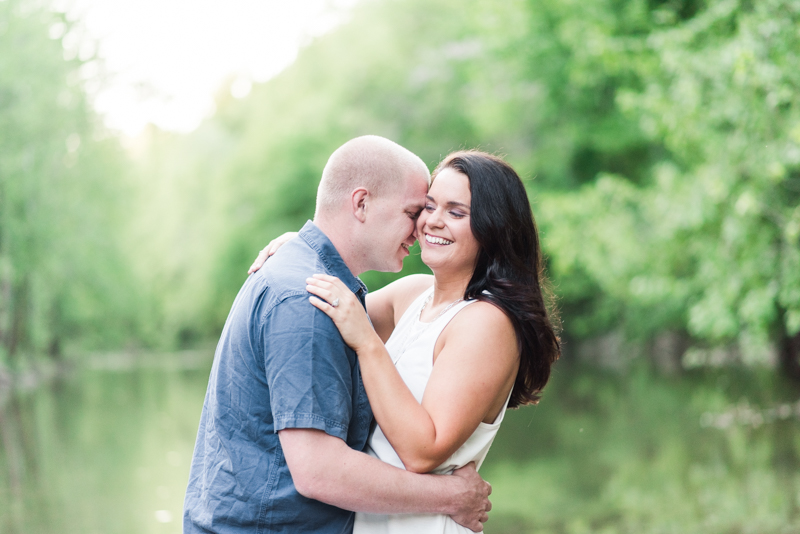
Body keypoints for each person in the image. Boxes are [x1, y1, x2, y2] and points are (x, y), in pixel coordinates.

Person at [183, 136, 493, 534]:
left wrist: (298, 240)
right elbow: (318, 471)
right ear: (361, 204)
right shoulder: (304, 300)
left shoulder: (318, 285)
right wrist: (450, 497)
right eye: (414, 211)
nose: (419, 229)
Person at [251, 150, 561, 533]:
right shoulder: (413, 294)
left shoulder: (486, 322)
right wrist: (303, 249)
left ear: (493, 228)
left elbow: (423, 451)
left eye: (456, 212)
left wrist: (368, 343)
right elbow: (325, 309)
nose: (432, 221)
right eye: (429, 206)